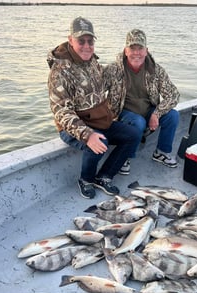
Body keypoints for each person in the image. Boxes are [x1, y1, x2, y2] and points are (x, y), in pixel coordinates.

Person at [47, 17, 140, 199]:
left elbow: (105, 84)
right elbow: (61, 112)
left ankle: (104, 176)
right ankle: (86, 179)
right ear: (70, 39)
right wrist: (88, 135)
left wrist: (128, 64)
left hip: (99, 120)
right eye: (81, 41)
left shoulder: (92, 62)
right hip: (73, 127)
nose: (87, 46)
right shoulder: (59, 71)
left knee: (133, 135)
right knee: (100, 142)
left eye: (90, 41)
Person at [104, 29, 180, 175]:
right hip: (123, 114)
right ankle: (125, 157)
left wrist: (157, 114)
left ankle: (161, 152)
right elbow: (95, 90)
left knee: (173, 115)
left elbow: (173, 95)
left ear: (146, 51)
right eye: (132, 48)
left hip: (148, 111)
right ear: (126, 50)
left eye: (140, 48)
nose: (136, 53)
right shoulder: (113, 70)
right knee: (138, 122)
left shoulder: (156, 71)